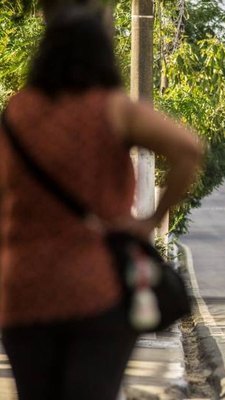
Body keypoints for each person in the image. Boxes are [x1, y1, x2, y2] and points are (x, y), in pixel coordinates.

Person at [0, 7, 204, 400]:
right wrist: (151, 220)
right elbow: (188, 150)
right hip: (95, 286)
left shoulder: (17, 114)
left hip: (23, 288)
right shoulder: (112, 108)